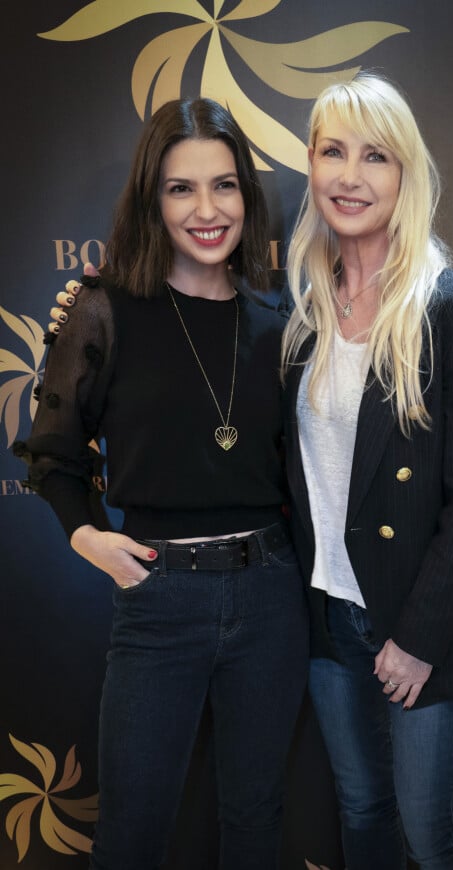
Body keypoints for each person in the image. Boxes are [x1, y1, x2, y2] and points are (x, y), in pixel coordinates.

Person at [16, 97, 309, 870]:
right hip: (158, 600)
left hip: (272, 595)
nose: (207, 210)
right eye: (182, 188)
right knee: (133, 833)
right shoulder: (101, 310)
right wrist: (85, 534)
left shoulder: (275, 323)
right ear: (152, 198)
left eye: (225, 186)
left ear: (247, 194)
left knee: (255, 820)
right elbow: (54, 451)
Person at [280, 73, 453, 869]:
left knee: (434, 837)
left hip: (422, 625)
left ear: (405, 174)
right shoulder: (298, 310)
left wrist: (415, 639)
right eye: (333, 152)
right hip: (326, 619)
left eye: (375, 156)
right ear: (309, 165)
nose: (351, 176)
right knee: (362, 812)